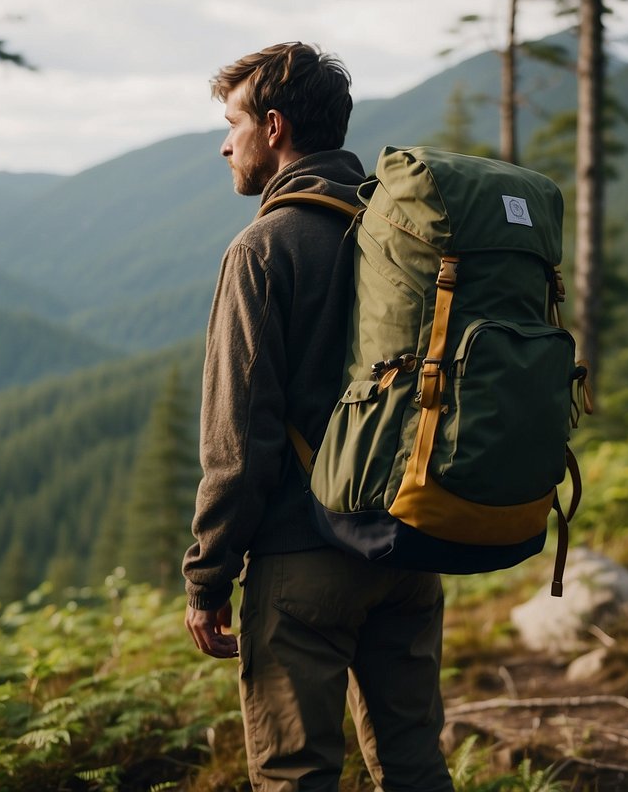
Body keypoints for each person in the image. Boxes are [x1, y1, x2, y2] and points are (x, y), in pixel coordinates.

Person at [182, 42, 453, 792]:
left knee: (296, 774)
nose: (223, 142)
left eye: (232, 123)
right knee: (415, 765)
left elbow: (237, 441)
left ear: (273, 127)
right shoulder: (401, 235)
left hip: (304, 560)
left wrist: (207, 577)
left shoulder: (264, 247)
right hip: (409, 544)